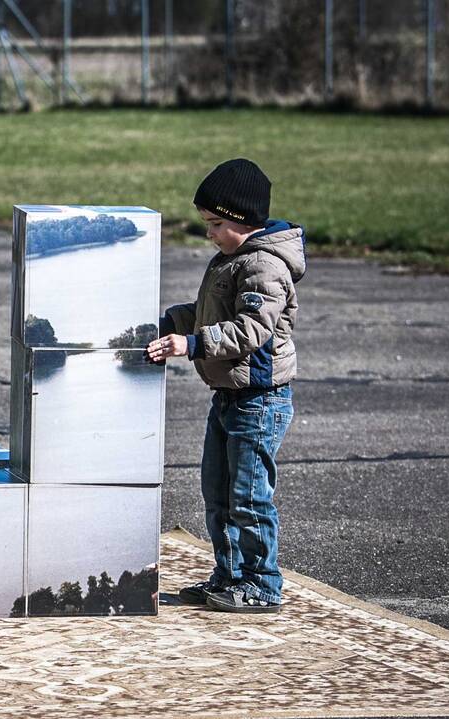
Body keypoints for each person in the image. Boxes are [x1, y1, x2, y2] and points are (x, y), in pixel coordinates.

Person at [147, 158, 305, 614]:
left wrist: (191, 343)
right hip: (229, 398)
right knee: (217, 490)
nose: (209, 233)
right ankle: (230, 575)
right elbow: (204, 311)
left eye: (215, 223)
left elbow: (248, 332)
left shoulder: (265, 267)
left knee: (249, 495)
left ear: (241, 220)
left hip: (259, 401)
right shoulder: (230, 260)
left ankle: (263, 582)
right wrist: (163, 325)